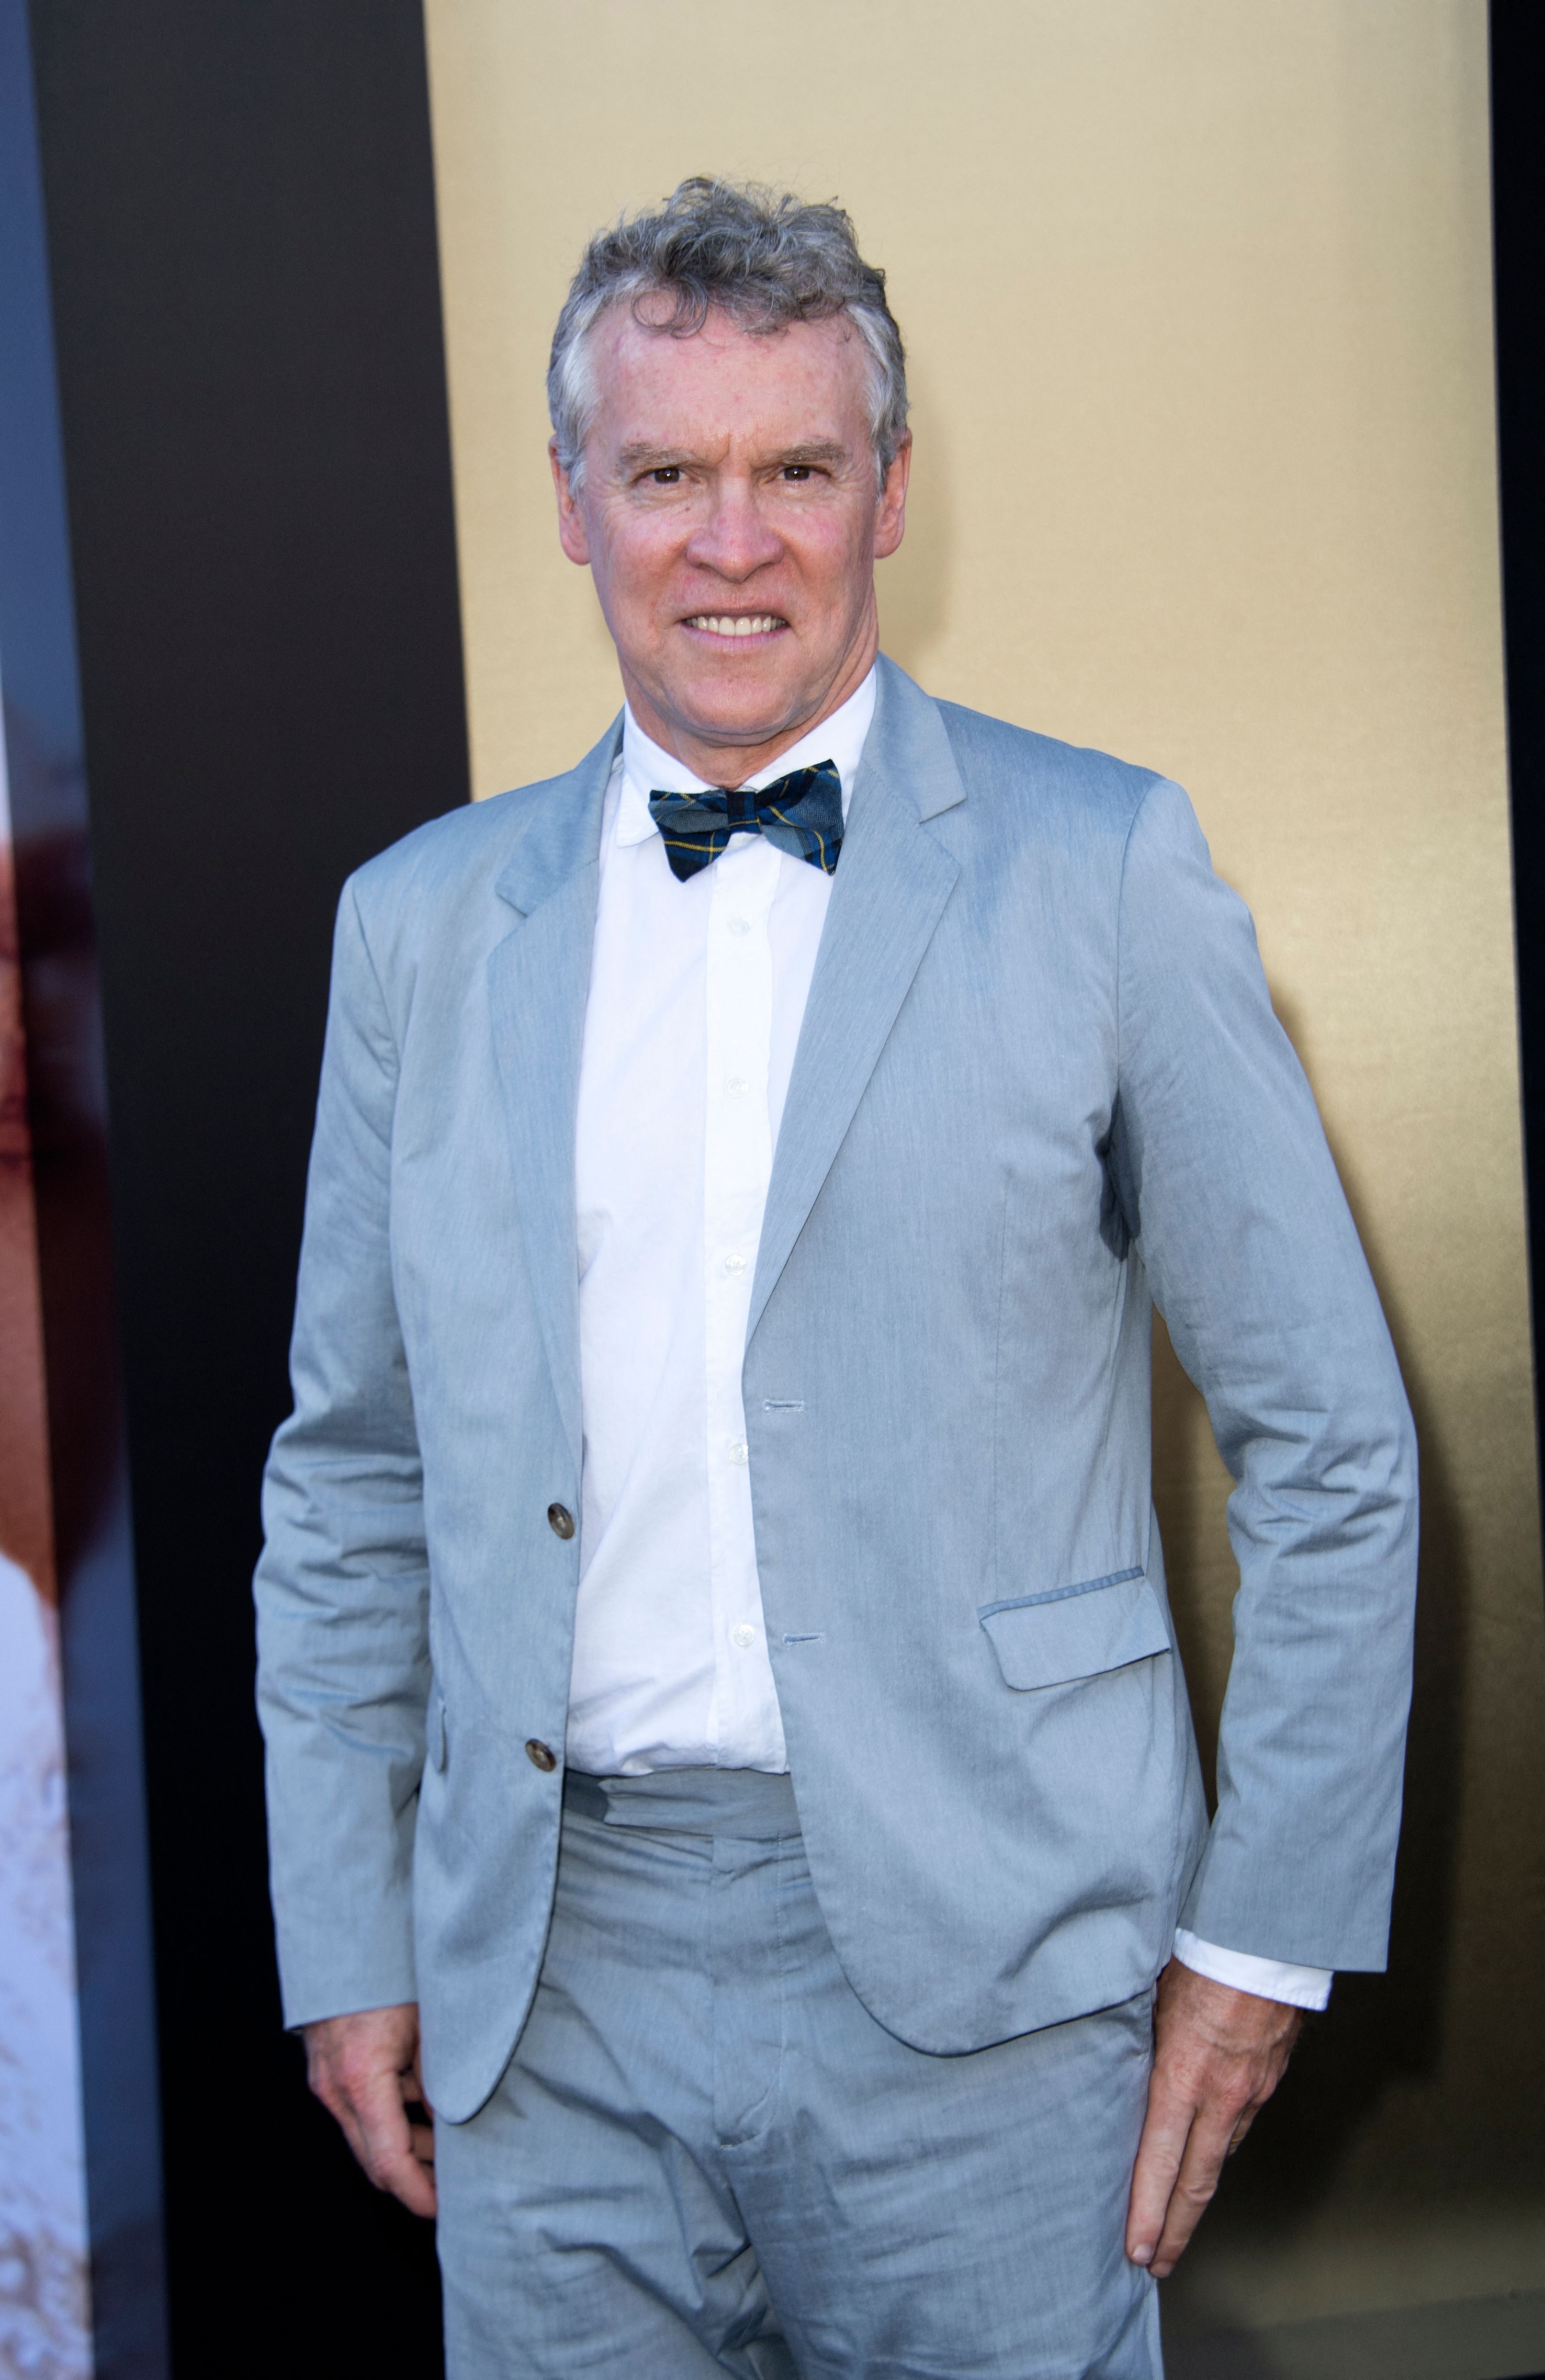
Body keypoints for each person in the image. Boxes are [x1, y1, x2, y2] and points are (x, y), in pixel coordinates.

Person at [255, 178, 1417, 2379]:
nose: (731, 538)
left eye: (796, 468)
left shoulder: (1106, 872)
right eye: (666, 473)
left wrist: (1259, 1943)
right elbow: (352, 1473)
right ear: (574, 504)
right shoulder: (412, 924)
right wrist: (342, 1928)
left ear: (889, 492)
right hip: (542, 1985)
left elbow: (1333, 1447)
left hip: (993, 1989)